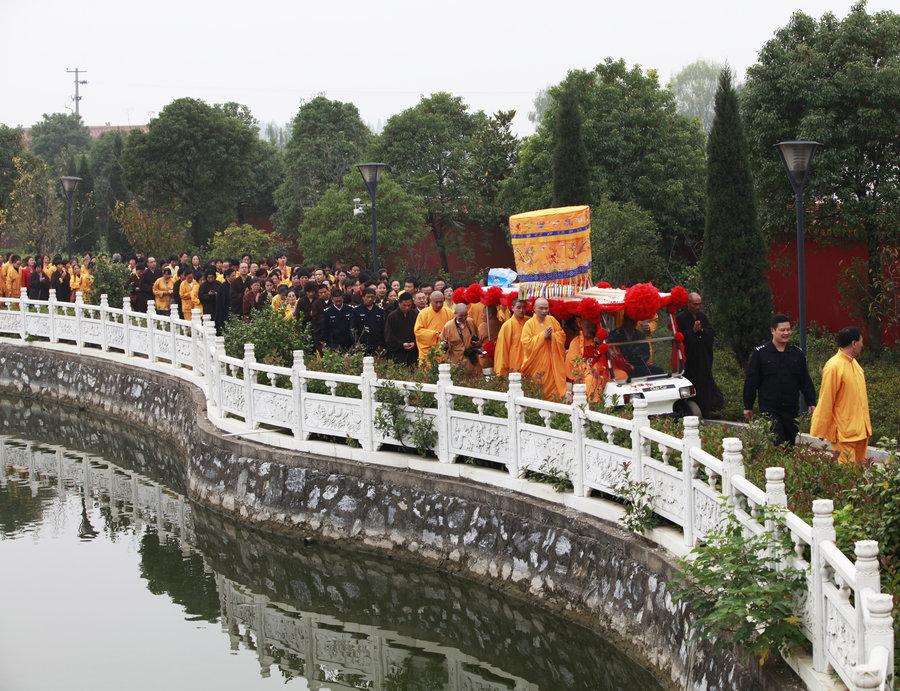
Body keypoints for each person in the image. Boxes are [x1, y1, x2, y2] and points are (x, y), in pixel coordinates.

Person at [743, 314, 817, 447]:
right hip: (770, 409)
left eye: (788, 329)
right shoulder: (761, 353)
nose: (786, 333)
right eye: (782, 330)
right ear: (773, 331)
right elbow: (751, 381)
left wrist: (811, 401)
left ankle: (787, 467)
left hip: (791, 409)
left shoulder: (796, 353)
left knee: (789, 444)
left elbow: (804, 380)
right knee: (777, 443)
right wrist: (748, 405)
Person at [810, 326, 871, 463]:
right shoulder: (834, 366)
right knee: (848, 477)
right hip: (844, 433)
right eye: (861, 341)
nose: (862, 344)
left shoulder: (855, 364)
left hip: (861, 431)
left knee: (860, 475)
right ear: (854, 343)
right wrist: (820, 429)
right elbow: (826, 398)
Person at [675, 292, 724, 416]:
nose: (697, 307)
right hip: (689, 358)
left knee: (705, 380)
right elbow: (679, 337)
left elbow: (711, 332)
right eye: (695, 304)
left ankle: (706, 408)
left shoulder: (702, 316)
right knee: (691, 381)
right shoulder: (681, 318)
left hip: (703, 356)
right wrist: (693, 331)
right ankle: (688, 408)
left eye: (699, 304)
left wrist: (701, 330)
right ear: (688, 304)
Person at [521, 297, 567, 400]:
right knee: (538, 393)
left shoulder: (552, 320)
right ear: (534, 308)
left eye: (546, 308)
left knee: (555, 395)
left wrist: (553, 337)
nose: (544, 311)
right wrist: (543, 336)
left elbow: (562, 336)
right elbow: (526, 344)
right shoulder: (529, 324)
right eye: (541, 308)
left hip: (553, 366)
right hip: (537, 367)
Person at [566, 318, 608, 401]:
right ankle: (592, 405)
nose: (591, 330)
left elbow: (606, 358)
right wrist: (590, 370)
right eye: (588, 327)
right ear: (582, 327)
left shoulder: (599, 340)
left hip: (600, 372)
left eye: (593, 327)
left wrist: (600, 345)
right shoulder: (576, 342)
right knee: (590, 380)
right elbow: (573, 361)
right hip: (585, 374)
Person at [414, 290, 453, 363]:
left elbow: (454, 329)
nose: (439, 304)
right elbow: (418, 332)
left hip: (445, 351)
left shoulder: (449, 312)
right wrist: (436, 334)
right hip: (428, 353)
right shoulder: (423, 314)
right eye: (436, 302)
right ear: (430, 301)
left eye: (441, 302)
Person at [440, 303, 480, 373]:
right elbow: (442, 343)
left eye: (466, 315)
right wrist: (444, 345)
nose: (464, 318)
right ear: (455, 314)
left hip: (471, 360)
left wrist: (476, 343)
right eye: (461, 316)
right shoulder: (448, 326)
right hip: (456, 361)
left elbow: (478, 337)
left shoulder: (470, 321)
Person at [494, 299, 527, 376]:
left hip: (528, 365)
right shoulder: (507, 325)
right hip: (514, 365)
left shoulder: (530, 322)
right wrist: (502, 370)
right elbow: (503, 348)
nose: (521, 310)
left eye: (524, 307)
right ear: (512, 308)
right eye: (518, 307)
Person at [384, 291, 418, 366]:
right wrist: (401, 344)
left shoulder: (415, 314)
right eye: (404, 305)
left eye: (409, 305)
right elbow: (389, 335)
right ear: (399, 303)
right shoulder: (392, 316)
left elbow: (419, 331)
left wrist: (415, 343)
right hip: (398, 352)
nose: (407, 307)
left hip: (413, 352)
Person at [352, 286, 386, 355]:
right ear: (363, 297)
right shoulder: (356, 310)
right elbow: (353, 328)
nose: (370, 299)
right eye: (368, 297)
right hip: (362, 346)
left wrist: (382, 343)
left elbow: (383, 328)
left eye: (372, 297)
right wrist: (356, 343)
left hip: (376, 345)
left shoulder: (379, 310)